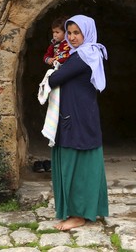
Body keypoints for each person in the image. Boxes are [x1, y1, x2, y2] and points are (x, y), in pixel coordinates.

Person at [47, 14, 109, 231]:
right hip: (82, 116)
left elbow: (54, 79)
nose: (72, 38)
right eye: (70, 33)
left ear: (87, 33)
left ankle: (77, 215)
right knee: (81, 164)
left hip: (77, 119)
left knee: (74, 165)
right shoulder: (88, 54)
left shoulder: (82, 57)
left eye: (77, 33)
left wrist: (53, 71)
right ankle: (85, 210)